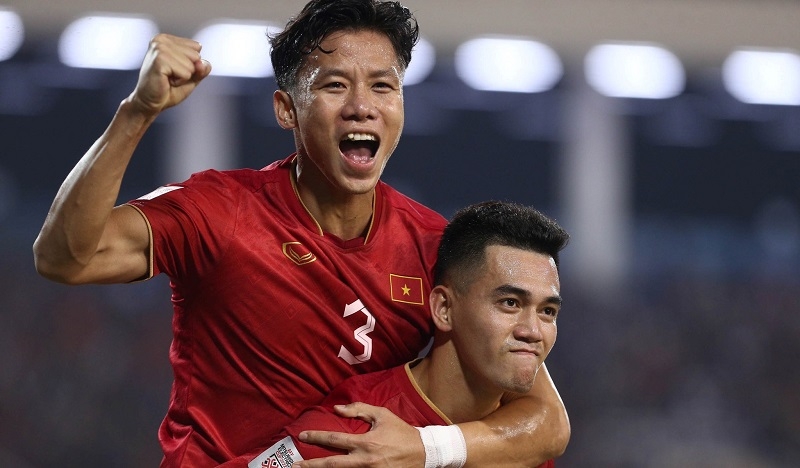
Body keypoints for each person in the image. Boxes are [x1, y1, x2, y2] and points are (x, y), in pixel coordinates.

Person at [32, 0, 569, 466]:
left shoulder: (434, 246)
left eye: (383, 86)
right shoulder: (222, 213)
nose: (362, 106)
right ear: (287, 109)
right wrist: (137, 112)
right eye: (335, 85)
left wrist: (424, 447)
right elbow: (65, 258)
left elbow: (546, 422)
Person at [222, 200, 568, 468]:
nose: (532, 331)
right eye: (510, 303)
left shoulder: (523, 447)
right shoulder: (353, 436)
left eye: (547, 311)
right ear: (444, 309)